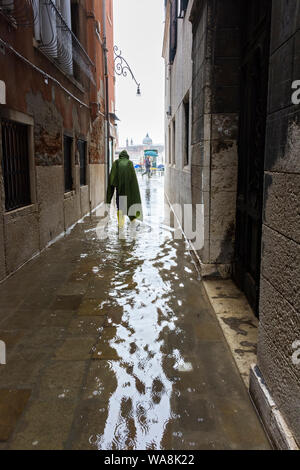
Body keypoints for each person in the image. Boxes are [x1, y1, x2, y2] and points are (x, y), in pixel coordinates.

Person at [106, 150, 143, 228]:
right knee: (130, 206)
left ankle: (120, 227)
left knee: (120, 208)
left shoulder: (116, 163)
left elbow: (111, 181)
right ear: (127, 156)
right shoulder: (129, 163)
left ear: (120, 156)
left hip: (119, 191)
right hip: (129, 191)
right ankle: (133, 227)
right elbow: (133, 181)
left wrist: (108, 199)